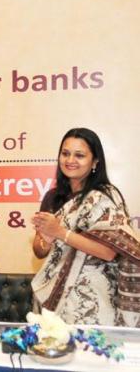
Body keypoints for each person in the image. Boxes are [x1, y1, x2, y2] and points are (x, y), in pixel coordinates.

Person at [31, 128, 140, 326]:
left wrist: (60, 232)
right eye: (65, 153)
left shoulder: (104, 197)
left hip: (92, 300)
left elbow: (108, 252)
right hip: (53, 297)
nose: (70, 160)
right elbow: (39, 251)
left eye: (79, 155)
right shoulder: (53, 197)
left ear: (95, 161)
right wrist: (46, 241)